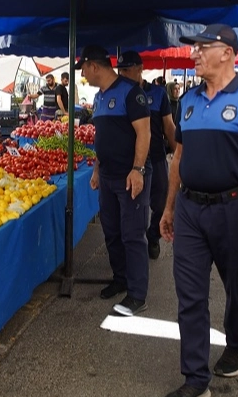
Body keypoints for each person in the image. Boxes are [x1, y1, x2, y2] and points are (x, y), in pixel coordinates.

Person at [160, 24, 238, 397]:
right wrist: (168, 207)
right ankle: (196, 379)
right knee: (190, 296)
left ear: (227, 52)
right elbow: (178, 157)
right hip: (191, 210)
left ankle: (236, 344)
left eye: (202, 47)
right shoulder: (188, 101)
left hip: (236, 209)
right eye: (193, 48)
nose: (194, 54)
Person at [77, 45, 152, 317]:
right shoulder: (98, 98)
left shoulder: (132, 93)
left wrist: (138, 169)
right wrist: (97, 169)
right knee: (111, 232)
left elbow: (144, 133)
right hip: (107, 176)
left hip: (129, 176)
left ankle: (137, 294)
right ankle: (120, 278)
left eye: (84, 69)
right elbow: (103, 139)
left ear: (94, 66)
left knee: (133, 235)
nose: (83, 75)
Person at [117, 51, 177, 260]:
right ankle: (132, 247)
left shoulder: (159, 94)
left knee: (161, 204)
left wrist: (178, 153)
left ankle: (153, 236)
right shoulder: (120, 93)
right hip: (130, 161)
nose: (122, 74)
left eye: (126, 69)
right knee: (132, 207)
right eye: (120, 70)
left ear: (139, 69)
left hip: (157, 157)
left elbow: (169, 127)